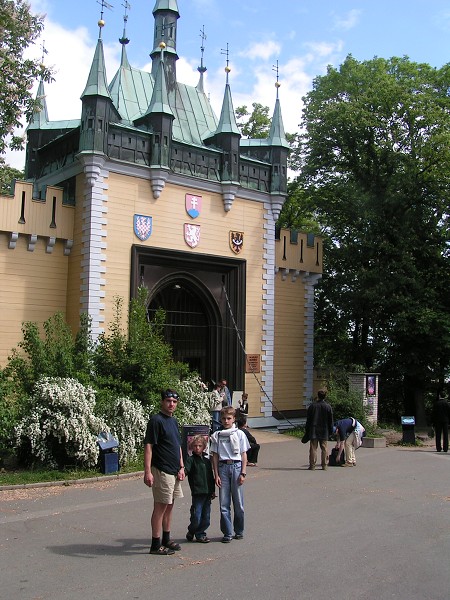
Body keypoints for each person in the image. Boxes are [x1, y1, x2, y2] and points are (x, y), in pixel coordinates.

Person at [143, 389, 186, 556]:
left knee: (170, 505)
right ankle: (155, 544)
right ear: (162, 401)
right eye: (168, 401)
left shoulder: (173, 421)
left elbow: (177, 446)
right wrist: (148, 471)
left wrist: (181, 467)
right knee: (160, 506)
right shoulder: (156, 420)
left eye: (174, 402)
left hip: (174, 470)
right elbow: (148, 446)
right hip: (161, 470)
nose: (171, 404)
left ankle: (166, 538)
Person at [210, 406, 250, 543]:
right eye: (223, 418)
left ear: (234, 419)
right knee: (224, 503)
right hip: (223, 467)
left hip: (236, 466)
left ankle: (239, 530)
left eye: (229, 418)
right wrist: (216, 474)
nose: (226, 421)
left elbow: (244, 454)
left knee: (238, 503)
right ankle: (227, 532)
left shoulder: (239, 434)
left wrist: (243, 472)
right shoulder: (217, 435)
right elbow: (214, 456)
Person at [185, 435, 216, 543]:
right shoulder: (191, 460)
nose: (197, 448)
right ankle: (191, 531)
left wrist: (213, 491)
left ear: (204, 447)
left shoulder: (207, 461)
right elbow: (186, 470)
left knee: (206, 517)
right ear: (191, 447)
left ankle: (200, 534)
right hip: (197, 492)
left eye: (199, 446)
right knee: (196, 516)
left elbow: (210, 477)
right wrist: (181, 473)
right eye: (195, 446)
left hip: (207, 492)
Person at [304, 389, 333, 471]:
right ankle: (324, 465)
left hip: (313, 429)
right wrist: (331, 431)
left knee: (313, 448)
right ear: (325, 396)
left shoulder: (312, 406)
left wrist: (307, 430)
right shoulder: (328, 407)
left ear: (318, 396)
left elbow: (308, 420)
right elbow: (330, 420)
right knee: (324, 448)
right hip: (324, 430)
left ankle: (312, 465)